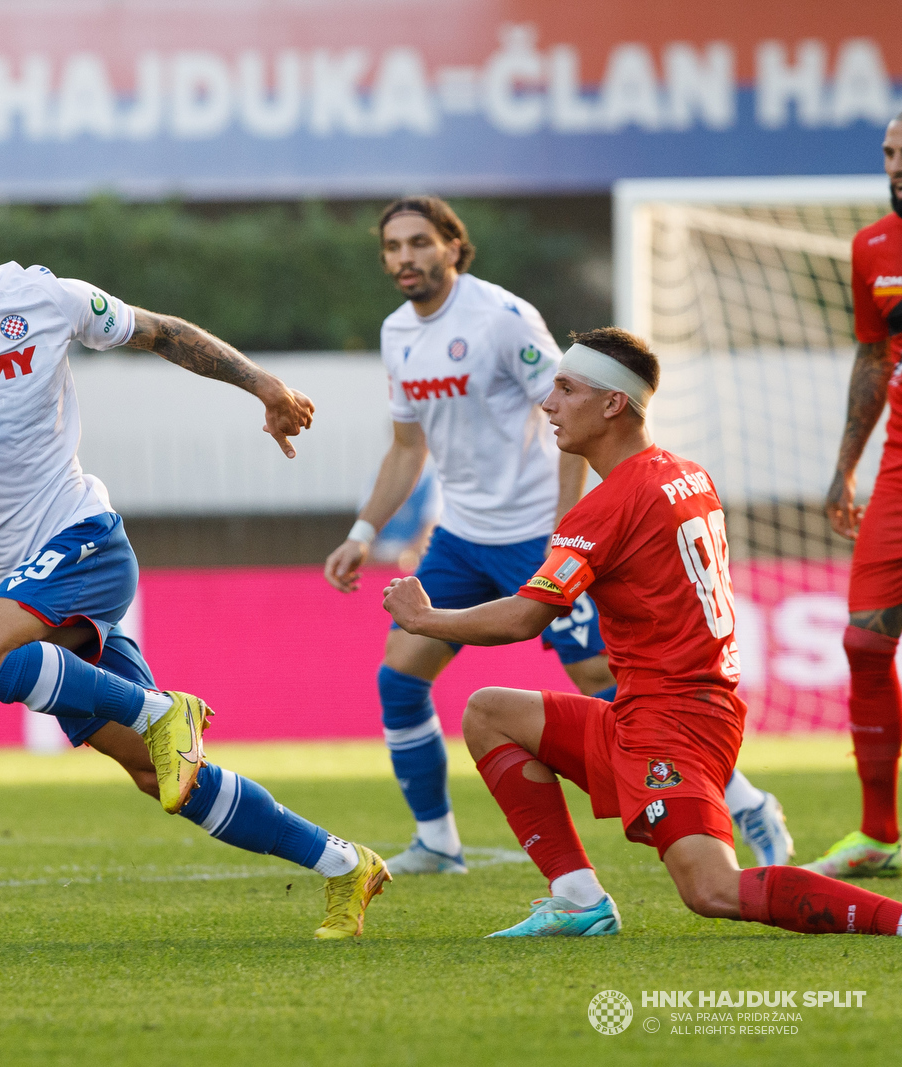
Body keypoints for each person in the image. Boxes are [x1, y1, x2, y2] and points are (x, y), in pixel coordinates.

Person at [0, 169, 388, 939]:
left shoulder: (46, 300)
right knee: (161, 775)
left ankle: (164, 709)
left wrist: (265, 387)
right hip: (18, 581)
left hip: (82, 542)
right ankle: (345, 866)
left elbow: (163, 332)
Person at [384, 327, 902, 938]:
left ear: (612, 405)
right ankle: (578, 898)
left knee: (712, 890)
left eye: (566, 389)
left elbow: (527, 616)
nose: (547, 404)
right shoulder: (686, 474)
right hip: (656, 709)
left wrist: (425, 620)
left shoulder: (609, 507)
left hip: (674, 723)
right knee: (489, 712)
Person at [325, 198, 790, 876]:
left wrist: (561, 528)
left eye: (419, 242)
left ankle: (744, 802)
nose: (405, 257)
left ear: (453, 247)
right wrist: (364, 531)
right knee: (399, 678)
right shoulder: (397, 333)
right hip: (461, 535)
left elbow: (576, 406)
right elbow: (406, 447)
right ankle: (437, 841)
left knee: (601, 680)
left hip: (537, 531)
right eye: (392, 246)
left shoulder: (502, 319)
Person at [812, 110, 902, 879]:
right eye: (889, 153)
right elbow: (873, 356)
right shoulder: (873, 247)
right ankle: (878, 832)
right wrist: (847, 463)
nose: (896, 166)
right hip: (899, 469)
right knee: (864, 642)